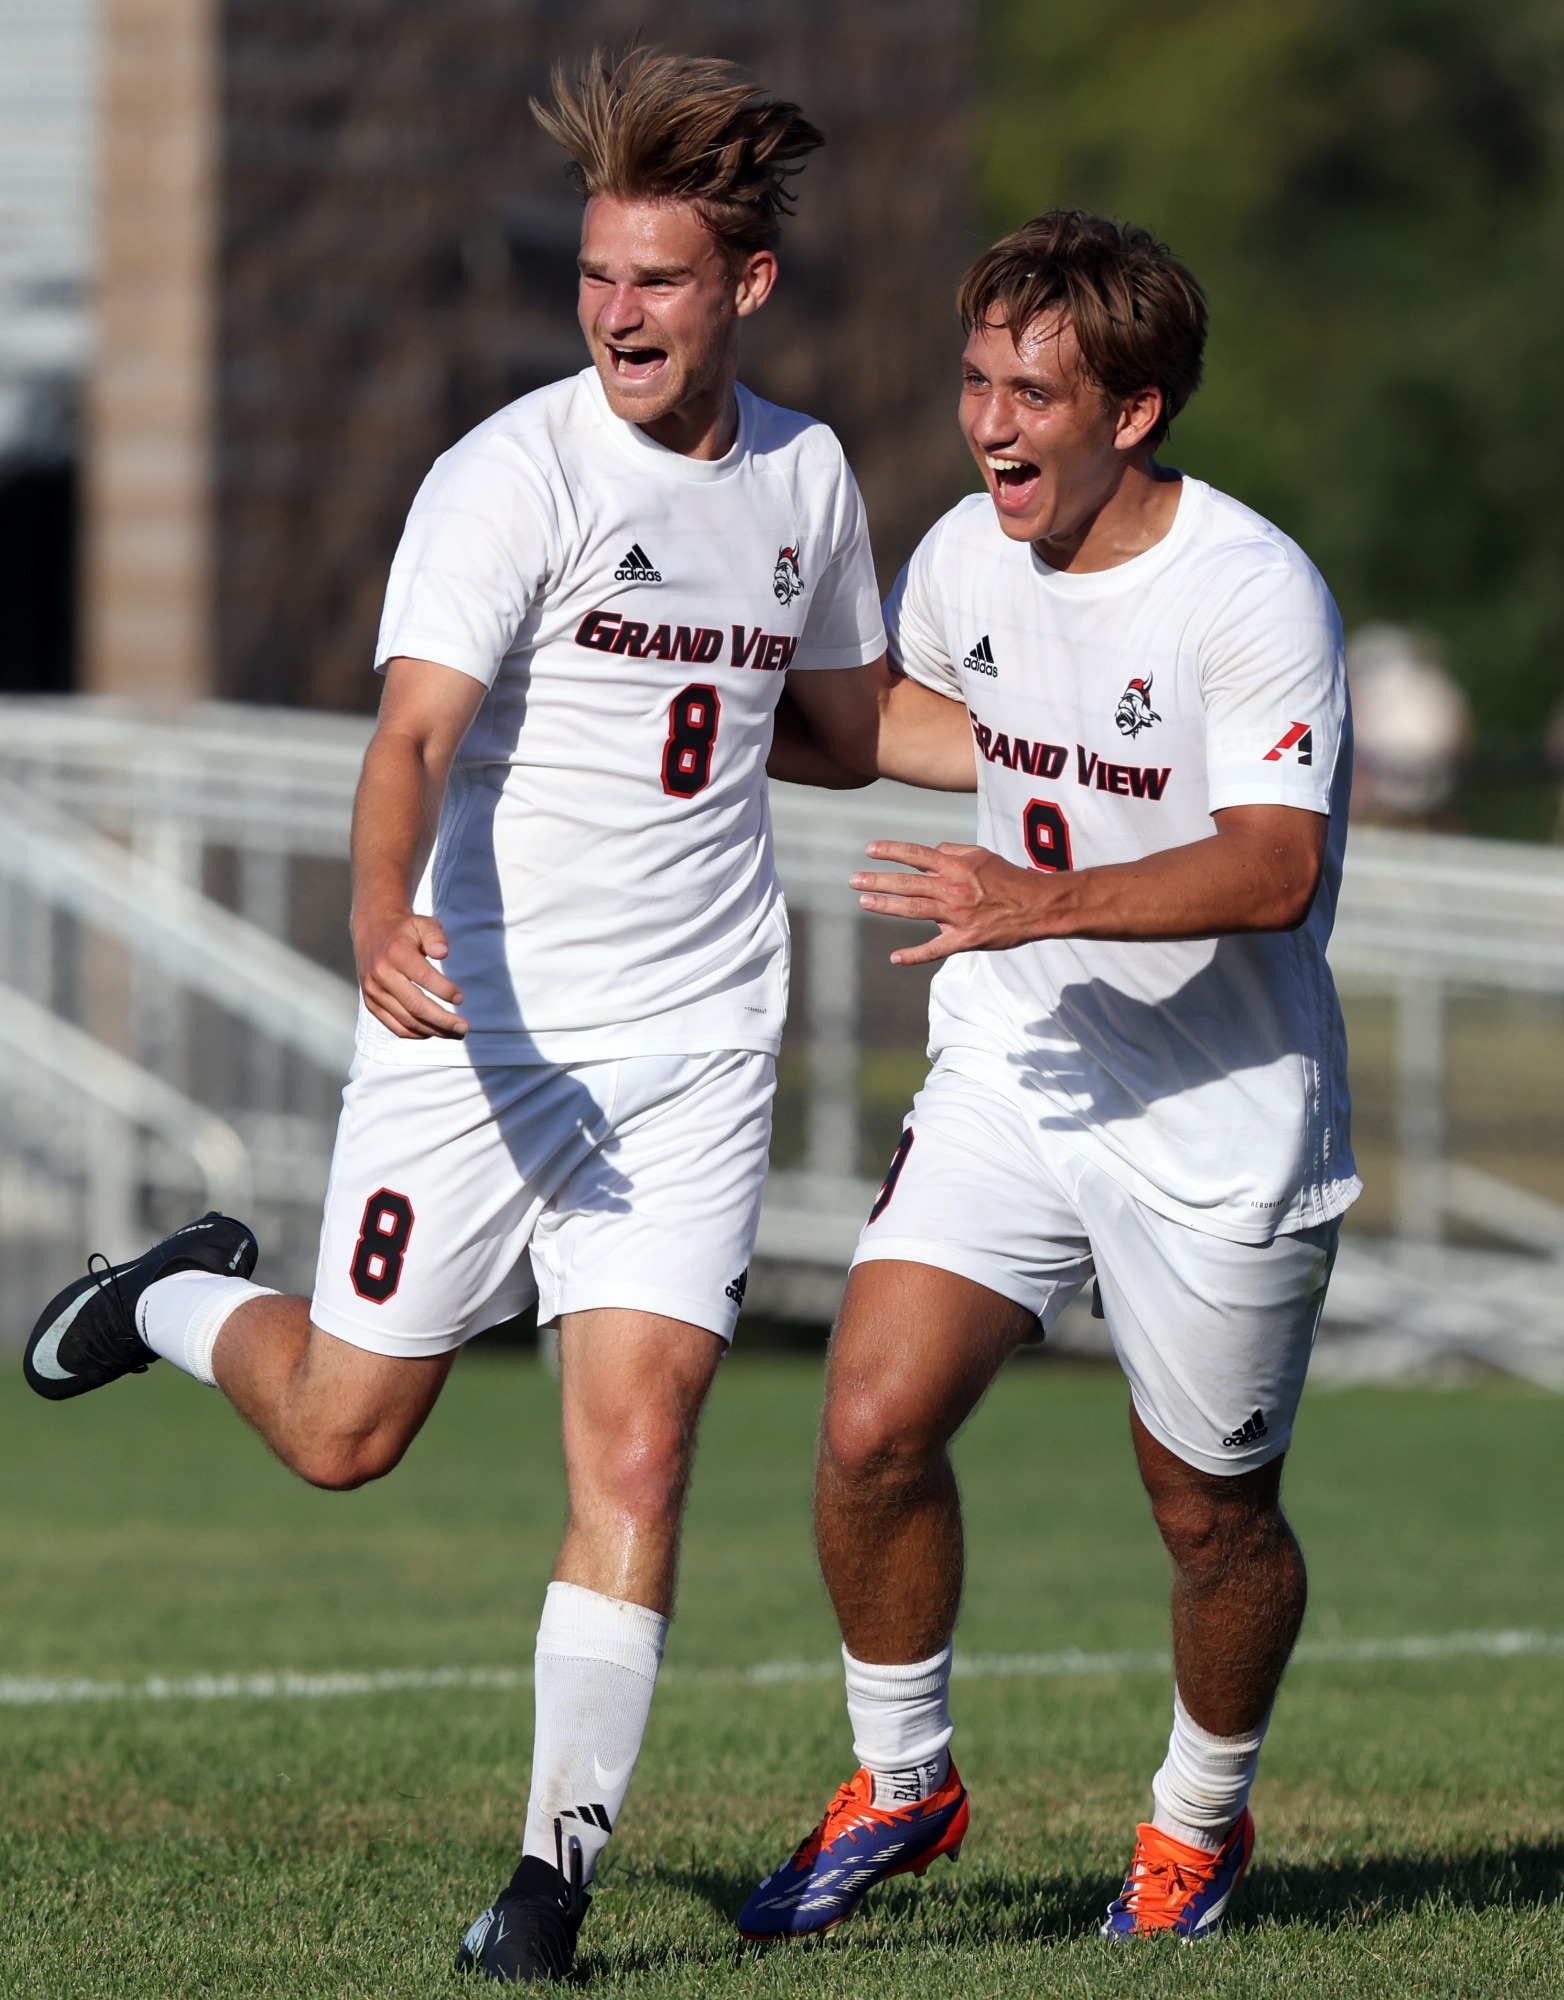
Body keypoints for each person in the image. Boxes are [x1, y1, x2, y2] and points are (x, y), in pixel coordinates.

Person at [22, 48, 964, 1986]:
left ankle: (545, 1885)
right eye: (598, 279)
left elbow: (851, 726)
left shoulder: (802, 479)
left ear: (745, 291)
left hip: (691, 1047)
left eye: (660, 281)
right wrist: (382, 915)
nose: (619, 312)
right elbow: (414, 737)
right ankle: (179, 1297)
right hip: (479, 1041)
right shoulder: (508, 476)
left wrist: (1074, 768)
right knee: (348, 1426)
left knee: (637, 1450)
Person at [737, 209, 1359, 1943]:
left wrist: (1042, 897)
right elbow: (903, 732)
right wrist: (665, 697)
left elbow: (1273, 868)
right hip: (1020, 1071)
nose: (993, 424)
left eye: (1035, 392)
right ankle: (901, 1779)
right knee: (869, 1425)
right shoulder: (961, 557)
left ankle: (1195, 1827)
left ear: (1136, 411)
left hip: (1218, 1116)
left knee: (1210, 1516)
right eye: (976, 382)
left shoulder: (1250, 589)